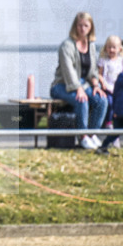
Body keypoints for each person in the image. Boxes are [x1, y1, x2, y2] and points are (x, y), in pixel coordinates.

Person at [49, 11, 108, 150]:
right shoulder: (67, 45)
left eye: (86, 26)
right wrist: (79, 89)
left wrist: (96, 85)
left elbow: (93, 70)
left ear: (90, 28)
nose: (82, 29)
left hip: (83, 83)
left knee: (102, 100)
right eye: (80, 25)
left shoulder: (91, 46)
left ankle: (92, 134)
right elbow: (68, 71)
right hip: (62, 85)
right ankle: (82, 137)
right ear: (75, 26)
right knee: (82, 100)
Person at [98, 35, 123, 127]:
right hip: (107, 87)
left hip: (118, 87)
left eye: (114, 47)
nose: (111, 50)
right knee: (109, 102)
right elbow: (99, 74)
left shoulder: (121, 61)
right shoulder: (103, 60)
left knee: (120, 102)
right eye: (109, 47)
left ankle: (120, 122)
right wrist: (102, 83)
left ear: (119, 49)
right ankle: (108, 122)